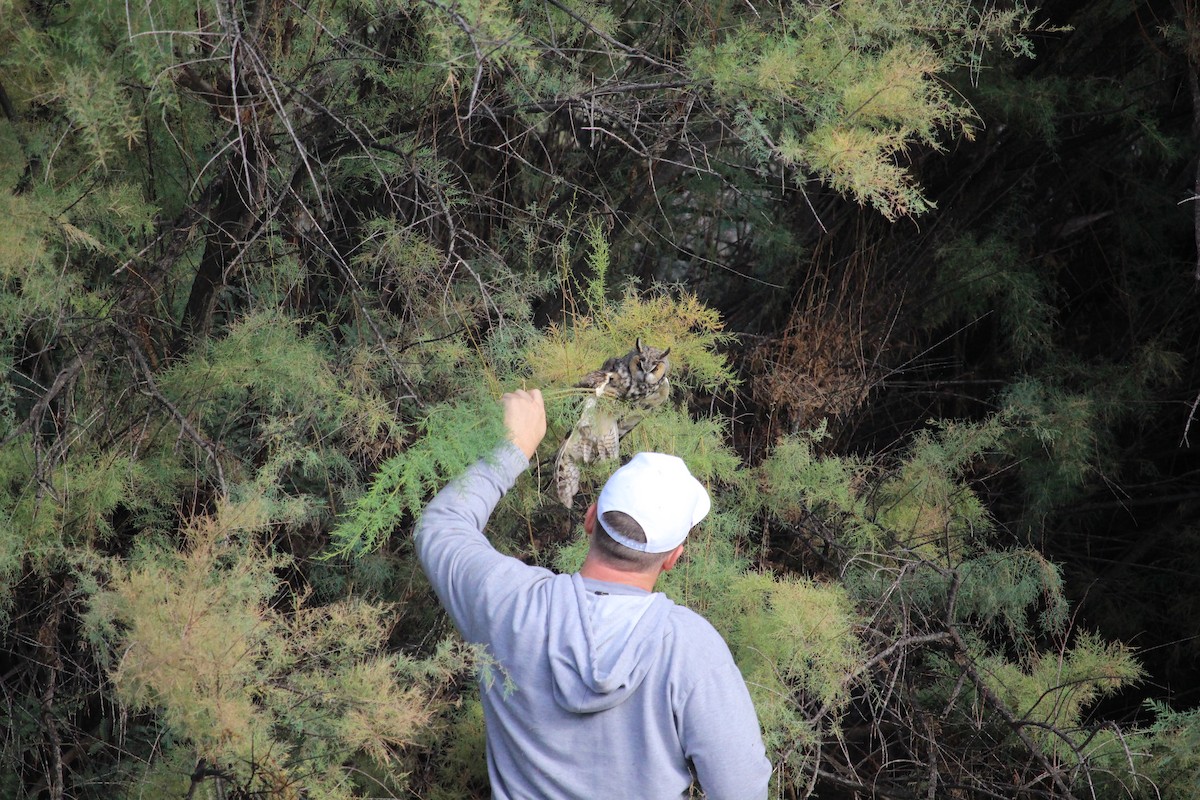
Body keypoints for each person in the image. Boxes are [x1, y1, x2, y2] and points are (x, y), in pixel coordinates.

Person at [414, 388, 772, 799]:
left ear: (590, 519)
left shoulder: (511, 605)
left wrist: (515, 447)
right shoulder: (690, 648)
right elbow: (742, 790)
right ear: (673, 556)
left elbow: (440, 527)